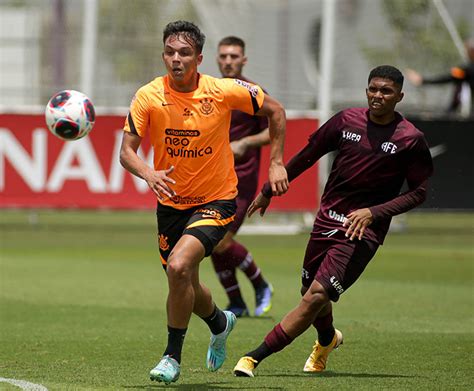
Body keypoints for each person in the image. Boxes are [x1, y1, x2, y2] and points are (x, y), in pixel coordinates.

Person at [233, 65, 433, 377]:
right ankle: (327, 339)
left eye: (386, 91)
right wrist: (268, 190)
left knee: (316, 296)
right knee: (309, 294)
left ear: (399, 96)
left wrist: (373, 213)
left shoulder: (410, 139)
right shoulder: (346, 120)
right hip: (327, 220)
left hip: (362, 232)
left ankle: (254, 356)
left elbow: (419, 193)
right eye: (373, 89)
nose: (378, 96)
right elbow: (308, 154)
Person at [119, 21, 288, 385]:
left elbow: (275, 111)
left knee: (179, 268)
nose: (175, 59)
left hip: (217, 199)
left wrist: (275, 162)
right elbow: (126, 153)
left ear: (198, 57)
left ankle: (171, 358)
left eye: (183, 53)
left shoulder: (224, 90)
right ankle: (219, 321)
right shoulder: (148, 95)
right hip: (171, 203)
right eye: (169, 52)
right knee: (184, 283)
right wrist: (148, 173)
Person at [211, 36, 273, 318]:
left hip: (241, 181)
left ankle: (261, 284)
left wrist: (247, 142)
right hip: (211, 179)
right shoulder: (208, 91)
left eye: (234, 56)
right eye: (223, 56)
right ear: (216, 58)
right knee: (209, 242)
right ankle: (236, 302)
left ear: (243, 60)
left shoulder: (252, 92)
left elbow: (274, 129)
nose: (228, 61)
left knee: (220, 241)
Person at [406, 38, 474, 116]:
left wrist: (423, 80)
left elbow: (448, 78)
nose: (466, 53)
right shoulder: (465, 70)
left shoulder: (466, 70)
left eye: (467, 50)